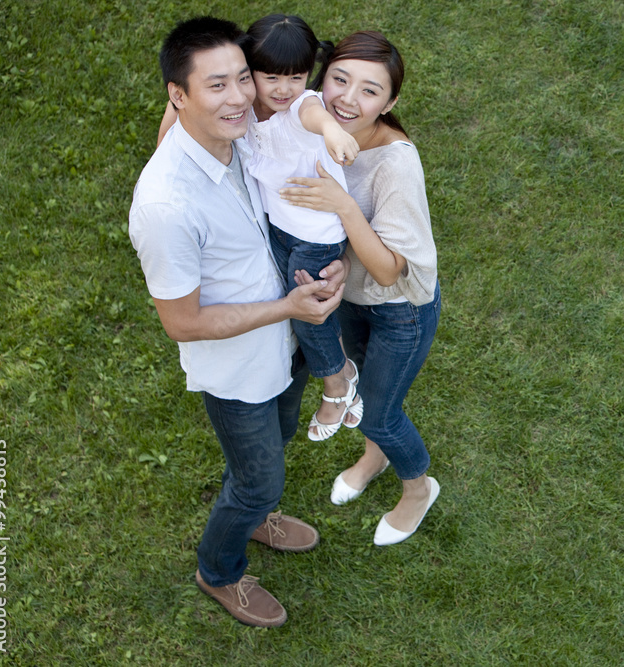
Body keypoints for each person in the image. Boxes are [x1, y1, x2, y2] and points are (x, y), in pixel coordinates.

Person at [128, 16, 347, 628]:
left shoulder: (241, 134)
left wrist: (331, 272)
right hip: (237, 368)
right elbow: (183, 323)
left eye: (243, 79)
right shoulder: (166, 208)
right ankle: (219, 570)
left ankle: (256, 513)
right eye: (217, 86)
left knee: (272, 450)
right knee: (256, 480)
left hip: (283, 344)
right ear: (179, 94)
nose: (243, 98)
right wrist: (288, 308)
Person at [158, 14, 364, 442]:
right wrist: (182, 95)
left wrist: (332, 131)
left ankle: (336, 378)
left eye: (296, 77)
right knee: (306, 303)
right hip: (279, 248)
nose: (282, 89)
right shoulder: (235, 119)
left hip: (310, 243)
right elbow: (169, 145)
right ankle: (338, 372)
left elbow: (313, 113)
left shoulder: (299, 108)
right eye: (268, 77)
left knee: (309, 309)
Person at [280, 31, 442, 546]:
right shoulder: (313, 125)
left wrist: (343, 206)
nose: (349, 99)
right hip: (353, 297)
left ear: (390, 102)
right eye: (340, 80)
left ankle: (418, 489)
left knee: (381, 410)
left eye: (370, 91)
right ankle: (373, 458)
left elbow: (392, 270)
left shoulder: (396, 164)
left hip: (400, 310)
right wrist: (339, 267)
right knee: (367, 392)